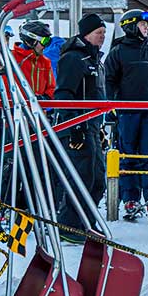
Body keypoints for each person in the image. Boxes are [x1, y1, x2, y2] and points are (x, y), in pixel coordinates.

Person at [104, 9, 148, 221]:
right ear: (131, 27)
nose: (146, 28)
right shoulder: (117, 52)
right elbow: (109, 82)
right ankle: (130, 198)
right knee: (127, 155)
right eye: (142, 24)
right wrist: (111, 107)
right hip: (127, 112)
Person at [53, 13, 108, 236]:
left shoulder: (96, 60)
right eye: (98, 33)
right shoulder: (74, 58)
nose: (102, 37)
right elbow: (64, 93)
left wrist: (100, 125)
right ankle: (69, 225)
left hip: (93, 125)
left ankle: (86, 219)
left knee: (97, 178)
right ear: (86, 34)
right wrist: (74, 125)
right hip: (77, 126)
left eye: (104, 33)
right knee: (81, 176)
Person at [1, 20, 57, 100]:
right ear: (31, 41)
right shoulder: (11, 59)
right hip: (17, 110)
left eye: (47, 41)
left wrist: (44, 99)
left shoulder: (45, 61)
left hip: (38, 111)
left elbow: (52, 87)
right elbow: (2, 89)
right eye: (44, 41)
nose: (45, 46)